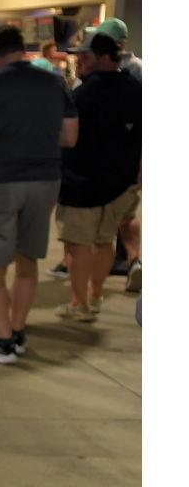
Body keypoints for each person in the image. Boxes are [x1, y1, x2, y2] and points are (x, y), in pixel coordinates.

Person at [0, 24, 78, 364]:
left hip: (2, 180)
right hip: (46, 180)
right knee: (29, 260)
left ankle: (3, 340)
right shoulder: (54, 81)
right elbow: (70, 136)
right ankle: (19, 330)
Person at [55, 33, 142, 321]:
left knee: (79, 244)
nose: (80, 61)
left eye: (86, 56)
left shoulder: (84, 93)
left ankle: (79, 303)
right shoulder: (136, 89)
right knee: (105, 241)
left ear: (104, 58)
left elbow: (66, 134)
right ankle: (95, 296)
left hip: (83, 183)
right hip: (121, 184)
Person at [96, 16, 143, 292]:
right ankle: (127, 260)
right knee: (123, 211)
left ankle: (132, 260)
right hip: (119, 154)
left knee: (121, 212)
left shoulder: (135, 71)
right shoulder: (135, 69)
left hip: (125, 155)